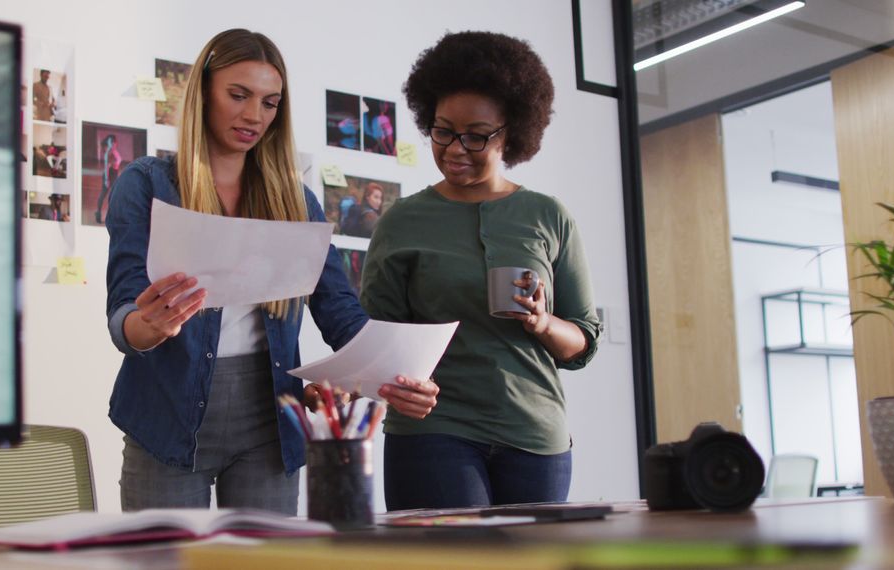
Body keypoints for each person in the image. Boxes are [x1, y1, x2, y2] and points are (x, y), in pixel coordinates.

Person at [104, 29, 439, 515]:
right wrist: (150, 326)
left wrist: (398, 371)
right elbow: (123, 316)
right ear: (203, 92)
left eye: (269, 102)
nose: (253, 116)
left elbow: (340, 311)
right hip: (166, 415)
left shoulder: (295, 201)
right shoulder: (146, 184)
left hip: (270, 421)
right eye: (238, 95)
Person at [360, 31, 603, 510]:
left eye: (476, 135)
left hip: (534, 434)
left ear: (511, 131)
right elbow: (377, 339)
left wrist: (541, 322)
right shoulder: (402, 220)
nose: (455, 147)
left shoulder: (547, 215)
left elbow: (583, 342)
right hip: (432, 429)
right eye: (443, 130)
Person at [96, 135, 122, 223]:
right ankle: (98, 213)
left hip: (114, 175)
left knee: (114, 196)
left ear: (115, 143)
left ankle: (114, 216)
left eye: (113, 142)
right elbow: (106, 168)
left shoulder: (115, 152)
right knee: (103, 194)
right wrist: (107, 180)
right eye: (110, 142)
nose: (111, 144)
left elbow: (117, 164)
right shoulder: (108, 153)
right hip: (108, 175)